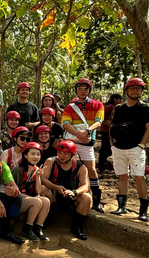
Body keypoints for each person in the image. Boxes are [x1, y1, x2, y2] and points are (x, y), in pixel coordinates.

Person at [109, 78, 149, 220]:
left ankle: (143, 211)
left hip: (136, 147)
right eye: (132, 88)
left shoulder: (146, 108)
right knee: (122, 176)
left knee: (139, 177)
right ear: (127, 90)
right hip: (119, 147)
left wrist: (142, 145)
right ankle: (121, 206)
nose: (135, 91)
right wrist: (112, 144)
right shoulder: (119, 108)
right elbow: (112, 126)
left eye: (138, 88)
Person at [62, 78, 105, 213]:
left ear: (89, 90)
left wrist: (87, 131)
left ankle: (96, 200)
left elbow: (99, 121)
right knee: (68, 167)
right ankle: (66, 197)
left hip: (87, 141)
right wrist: (79, 135)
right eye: (80, 88)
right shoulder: (70, 107)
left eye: (85, 88)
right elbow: (65, 123)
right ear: (76, 90)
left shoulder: (98, 104)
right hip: (73, 141)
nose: (82, 90)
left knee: (91, 169)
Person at [42, 140, 92, 240]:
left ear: (72, 154)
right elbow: (43, 179)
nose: (61, 156)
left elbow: (86, 186)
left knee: (87, 197)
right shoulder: (50, 161)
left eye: (65, 153)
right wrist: (55, 187)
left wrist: (74, 192)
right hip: (54, 195)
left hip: (72, 197)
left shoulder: (81, 167)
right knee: (43, 189)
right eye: (59, 152)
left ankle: (76, 227)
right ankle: (45, 219)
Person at [11, 142, 51, 242]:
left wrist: (38, 176)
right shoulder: (18, 169)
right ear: (25, 155)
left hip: (29, 199)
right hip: (16, 199)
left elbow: (38, 191)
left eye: (38, 154)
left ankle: (38, 228)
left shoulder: (36, 169)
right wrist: (33, 199)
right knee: (37, 201)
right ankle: (27, 228)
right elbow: (15, 191)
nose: (35, 157)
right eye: (32, 154)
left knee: (46, 201)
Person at [98, 94, 123, 174]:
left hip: (109, 130)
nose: (121, 101)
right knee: (106, 149)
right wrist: (107, 123)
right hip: (106, 130)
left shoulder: (113, 107)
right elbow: (100, 117)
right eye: (120, 99)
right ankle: (101, 166)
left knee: (107, 149)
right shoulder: (110, 107)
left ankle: (102, 165)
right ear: (115, 99)